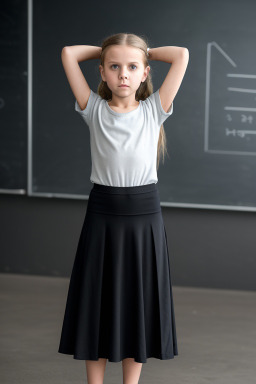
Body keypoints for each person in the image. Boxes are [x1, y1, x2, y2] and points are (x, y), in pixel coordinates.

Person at [58, 32, 189, 384]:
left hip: (144, 217)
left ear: (145, 73)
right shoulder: (93, 110)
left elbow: (181, 55)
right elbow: (69, 54)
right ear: (101, 72)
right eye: (114, 67)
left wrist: (141, 51)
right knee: (98, 304)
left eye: (132, 67)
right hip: (103, 215)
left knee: (137, 303)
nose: (123, 74)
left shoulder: (153, 111)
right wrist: (112, 50)